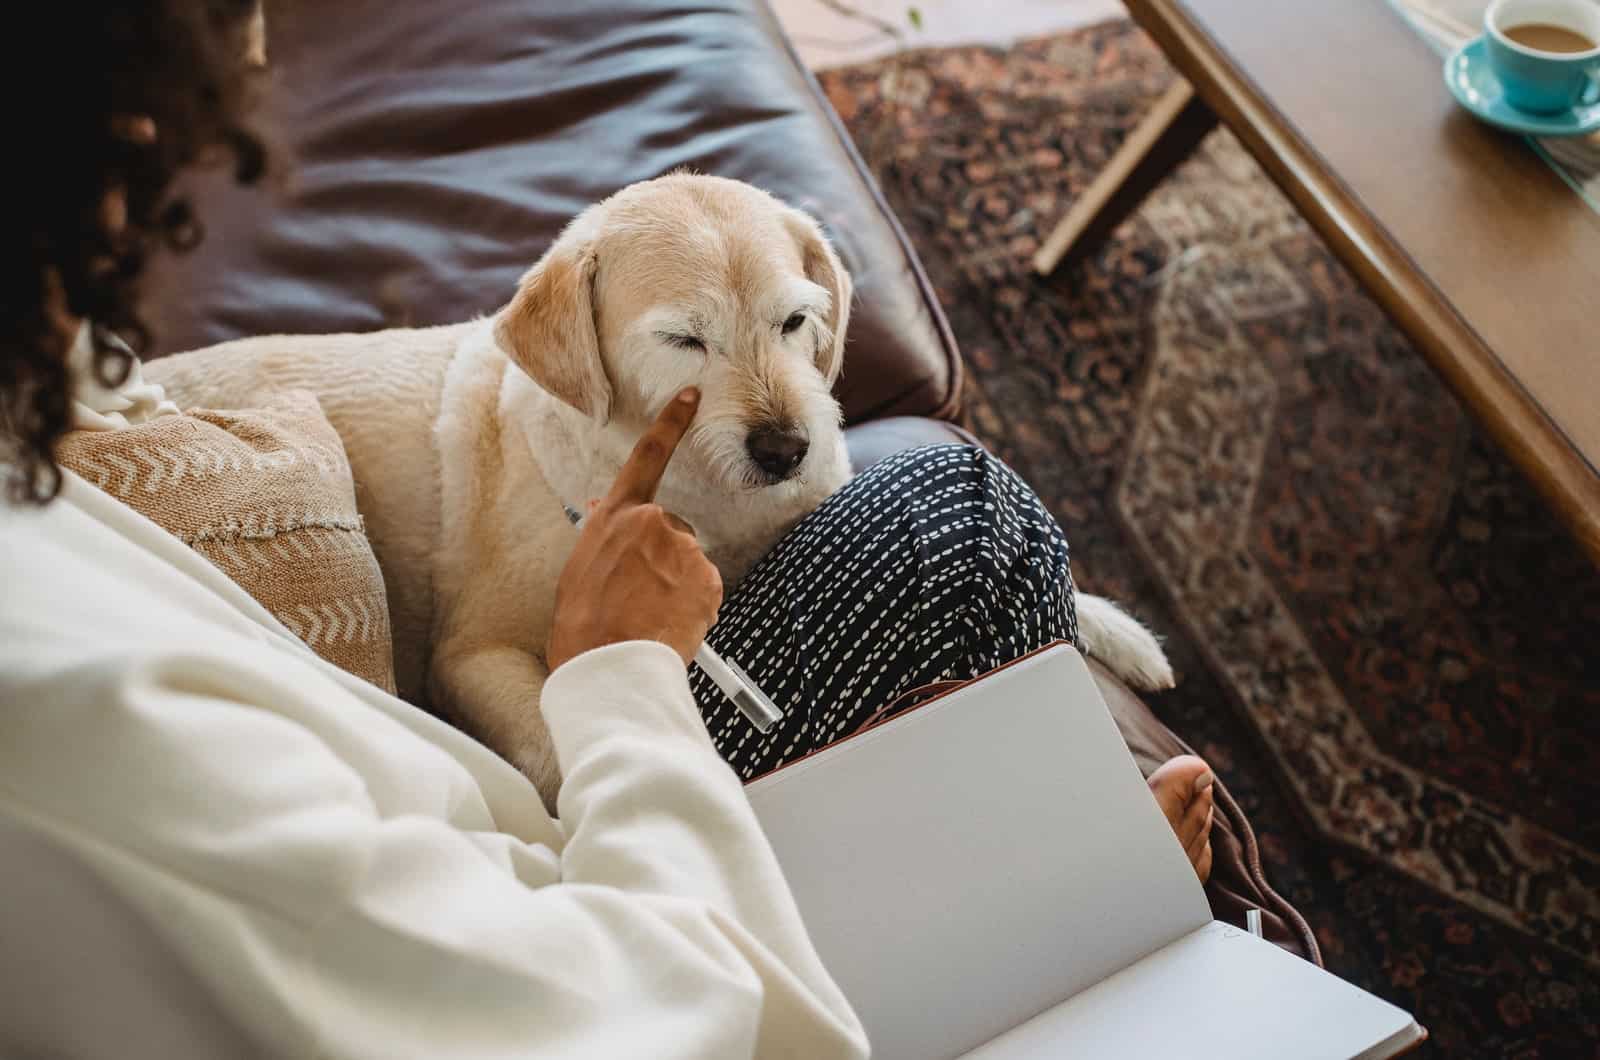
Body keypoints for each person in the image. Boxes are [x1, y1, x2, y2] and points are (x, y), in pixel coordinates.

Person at [0, 2, 1214, 1056]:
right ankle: (1066, 919)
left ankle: (1062, 874)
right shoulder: (78, 723)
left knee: (949, 507)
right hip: (588, 892)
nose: (156, 190)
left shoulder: (49, 438)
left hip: (572, 883)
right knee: (966, 513)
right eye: (144, 152)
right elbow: (642, 1010)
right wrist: (619, 671)